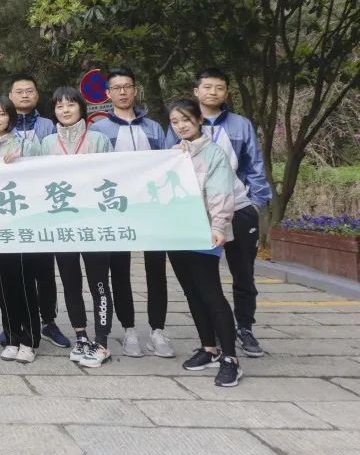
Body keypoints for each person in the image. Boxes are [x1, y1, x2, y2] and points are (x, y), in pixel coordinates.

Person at [167, 68, 271, 358]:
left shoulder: (239, 126)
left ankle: (244, 329)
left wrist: (255, 203)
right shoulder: (180, 132)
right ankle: (210, 343)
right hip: (197, 217)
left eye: (219, 87)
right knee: (200, 283)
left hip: (235, 209)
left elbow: (254, 164)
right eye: (207, 87)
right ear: (196, 92)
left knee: (242, 273)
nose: (213, 92)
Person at [89, 67, 174, 359]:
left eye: (127, 86)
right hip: (116, 210)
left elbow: (168, 164)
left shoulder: (154, 128)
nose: (123, 92)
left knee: (156, 269)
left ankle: (158, 330)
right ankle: (128, 330)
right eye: (117, 87)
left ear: (135, 90)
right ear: (107, 94)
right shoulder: (100, 130)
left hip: (151, 209)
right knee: (120, 271)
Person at [167, 99, 243, 387]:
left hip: (205, 232)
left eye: (186, 119)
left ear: (199, 120)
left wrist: (218, 226)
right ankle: (209, 348)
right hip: (177, 233)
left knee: (210, 292)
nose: (181, 126)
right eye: (175, 122)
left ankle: (230, 358)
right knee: (191, 292)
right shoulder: (173, 155)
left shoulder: (214, 154)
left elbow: (221, 193)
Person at [37, 86, 114, 367]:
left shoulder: (98, 139)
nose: (65, 110)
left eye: (70, 104)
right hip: (62, 225)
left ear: (81, 107)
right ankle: (81, 336)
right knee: (70, 282)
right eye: (59, 106)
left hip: (94, 224)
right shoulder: (47, 143)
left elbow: (113, 175)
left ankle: (102, 342)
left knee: (99, 284)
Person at [4, 74, 70, 351]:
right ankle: (15, 322)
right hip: (10, 206)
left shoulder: (47, 125)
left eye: (29, 90)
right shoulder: (2, 122)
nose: (24, 95)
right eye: (19, 91)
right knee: (14, 269)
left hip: (43, 205)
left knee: (44, 268)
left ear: (37, 95)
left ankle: (48, 321)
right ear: (10, 96)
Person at [0, 95, 38, 364]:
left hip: (21, 223)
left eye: (2, 113)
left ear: (11, 117)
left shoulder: (26, 144)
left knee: (24, 282)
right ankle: (12, 336)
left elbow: (41, 176)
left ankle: (30, 340)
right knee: (3, 283)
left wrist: (22, 162)